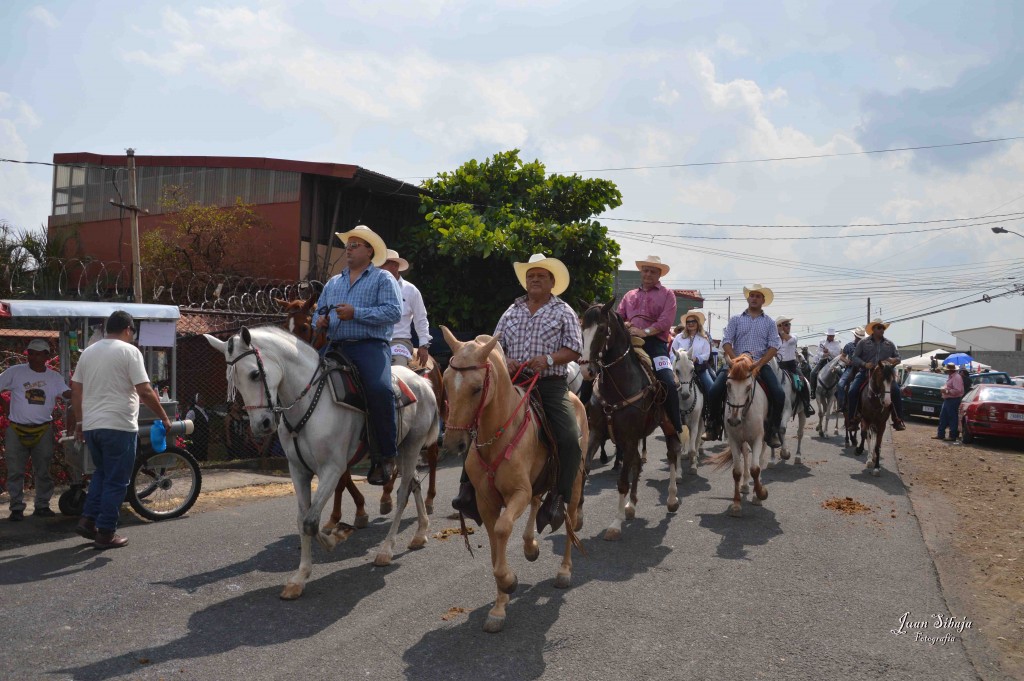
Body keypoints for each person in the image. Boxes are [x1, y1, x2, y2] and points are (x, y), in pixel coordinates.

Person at [451, 253, 583, 533]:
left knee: (569, 437)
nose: (534, 280)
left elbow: (574, 348)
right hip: (511, 381)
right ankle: (468, 489)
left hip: (548, 383)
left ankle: (559, 497)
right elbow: (494, 347)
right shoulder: (511, 311)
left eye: (541, 276)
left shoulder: (563, 311)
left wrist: (547, 359)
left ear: (552, 282)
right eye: (530, 276)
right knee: (476, 424)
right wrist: (504, 359)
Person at [71, 311, 171, 549]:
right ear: (128, 329)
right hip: (119, 425)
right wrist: (164, 417)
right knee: (117, 481)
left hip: (93, 426)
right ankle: (106, 532)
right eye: (132, 333)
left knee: (102, 474)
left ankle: (88, 521)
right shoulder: (130, 351)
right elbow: (144, 391)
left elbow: (76, 389)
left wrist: (80, 422)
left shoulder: (89, 352)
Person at [312, 225, 403, 485]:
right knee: (304, 379)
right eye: (347, 245)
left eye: (355, 245)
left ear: (369, 251)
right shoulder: (334, 282)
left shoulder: (382, 279)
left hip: (370, 347)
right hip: (337, 346)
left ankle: (386, 456)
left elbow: (393, 312)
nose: (348, 250)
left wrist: (356, 312)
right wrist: (320, 320)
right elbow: (319, 311)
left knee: (379, 389)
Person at [0, 338, 72, 521]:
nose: (33, 357)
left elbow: (66, 394)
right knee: (15, 471)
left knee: (43, 471)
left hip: (42, 430)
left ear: (47, 356)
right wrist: (5, 404)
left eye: (39, 353)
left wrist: (83, 390)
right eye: (31, 353)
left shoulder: (54, 377)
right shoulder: (15, 372)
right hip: (16, 429)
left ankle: (42, 505)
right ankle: (16, 507)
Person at [705, 284, 785, 448]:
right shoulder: (736, 319)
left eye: (758, 296)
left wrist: (759, 364)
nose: (754, 298)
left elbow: (774, 346)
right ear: (748, 298)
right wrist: (736, 362)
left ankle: (773, 431)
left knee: (779, 394)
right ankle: (713, 425)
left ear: (763, 300)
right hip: (735, 364)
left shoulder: (769, 322)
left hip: (760, 364)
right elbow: (727, 342)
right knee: (713, 391)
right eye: (752, 295)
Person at [616, 255, 683, 442]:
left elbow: (666, 321)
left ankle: (675, 427)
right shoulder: (629, 295)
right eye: (645, 270)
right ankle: (589, 413)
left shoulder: (668, 294)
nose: (648, 274)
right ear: (641, 272)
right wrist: (626, 326)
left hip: (655, 344)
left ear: (659, 274)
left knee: (668, 381)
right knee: (598, 370)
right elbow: (619, 316)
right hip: (628, 342)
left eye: (653, 271)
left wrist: (645, 331)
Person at [847, 318, 906, 430]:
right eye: (879, 327)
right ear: (873, 329)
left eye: (883, 328)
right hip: (866, 372)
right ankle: (853, 420)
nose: (882, 330)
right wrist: (864, 364)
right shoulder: (863, 343)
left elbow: (899, 357)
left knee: (897, 391)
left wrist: (894, 360)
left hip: (884, 374)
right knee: (852, 391)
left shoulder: (890, 344)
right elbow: (854, 357)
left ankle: (897, 419)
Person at [380, 249, 432, 368]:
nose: (379, 267)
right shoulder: (373, 287)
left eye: (383, 264)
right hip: (375, 340)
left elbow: (421, 318)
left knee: (399, 369)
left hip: (399, 341)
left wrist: (423, 345)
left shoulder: (411, 290)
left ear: (395, 266)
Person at [775, 316, 814, 417]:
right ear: (780, 326)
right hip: (778, 366)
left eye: (789, 324)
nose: (789, 326)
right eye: (786, 325)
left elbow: (791, 341)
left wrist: (782, 332)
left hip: (791, 365)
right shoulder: (775, 339)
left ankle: (806, 405)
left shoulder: (794, 336)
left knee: (803, 382)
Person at [670, 310, 714, 396]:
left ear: (697, 323)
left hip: (699, 368)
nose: (690, 323)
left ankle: (712, 408)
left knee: (711, 387)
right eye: (688, 322)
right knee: (667, 386)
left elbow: (706, 354)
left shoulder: (704, 338)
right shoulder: (679, 337)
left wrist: (697, 358)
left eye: (693, 321)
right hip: (679, 369)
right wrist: (677, 361)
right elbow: (672, 352)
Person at [836, 327, 866, 412]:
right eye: (857, 337)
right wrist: (846, 361)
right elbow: (842, 356)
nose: (858, 339)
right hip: (850, 368)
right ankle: (842, 404)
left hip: (862, 369)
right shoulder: (849, 345)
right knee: (840, 385)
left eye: (860, 338)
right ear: (854, 336)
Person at [934, 363, 964, 442]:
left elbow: (958, 390)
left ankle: (952, 436)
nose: (946, 371)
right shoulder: (951, 377)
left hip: (953, 400)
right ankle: (941, 434)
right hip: (948, 399)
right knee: (943, 417)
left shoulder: (956, 378)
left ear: (950, 370)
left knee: (952, 417)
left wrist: (946, 391)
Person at [810, 329, 842, 399]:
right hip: (823, 360)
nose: (831, 337)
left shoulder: (837, 343)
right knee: (812, 373)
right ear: (827, 335)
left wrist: (829, 351)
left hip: (833, 361)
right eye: (830, 336)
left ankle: (840, 392)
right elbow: (818, 351)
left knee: (840, 374)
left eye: (832, 336)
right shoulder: (822, 342)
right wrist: (823, 354)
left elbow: (837, 354)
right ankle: (813, 391)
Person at [184, 393, 210, 461]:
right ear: (197, 401)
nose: (204, 400)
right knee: (196, 455)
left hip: (204, 438)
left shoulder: (204, 411)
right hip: (195, 438)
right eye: (201, 398)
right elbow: (187, 424)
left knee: (203, 455)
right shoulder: (192, 411)